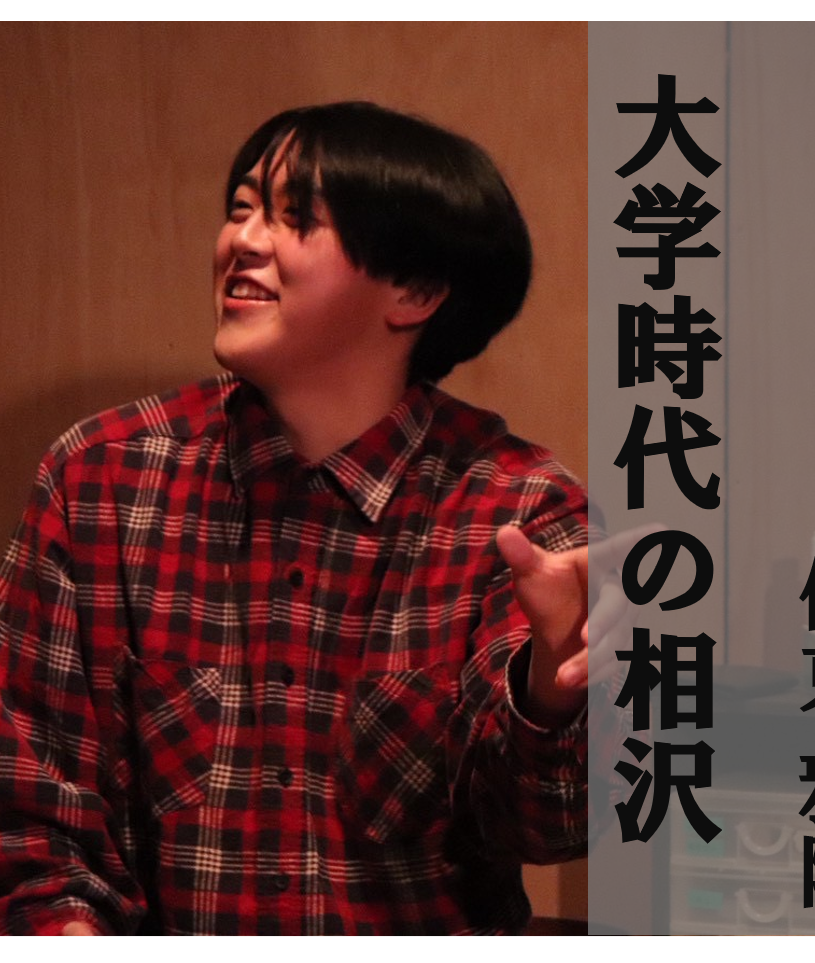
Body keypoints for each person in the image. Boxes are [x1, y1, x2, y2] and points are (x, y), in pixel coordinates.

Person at [0, 102, 637, 936]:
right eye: (241, 208)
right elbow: (34, 823)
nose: (243, 240)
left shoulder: (517, 509)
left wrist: (549, 692)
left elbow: (550, 829)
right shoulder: (101, 479)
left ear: (414, 291)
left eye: (294, 217)